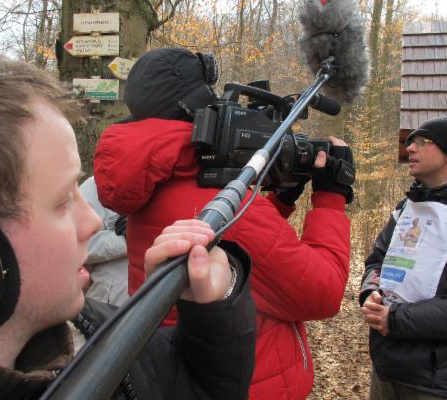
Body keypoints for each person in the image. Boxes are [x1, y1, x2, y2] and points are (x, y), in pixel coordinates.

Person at [0, 42, 256, 399]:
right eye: (64, 199)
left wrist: (211, 313)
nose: (93, 222)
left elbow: (191, 388)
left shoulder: (88, 326)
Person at [93, 47, 353, 400]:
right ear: (199, 107)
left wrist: (280, 201)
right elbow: (323, 293)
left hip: (183, 377)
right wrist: (332, 197)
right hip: (253, 385)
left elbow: (248, 264)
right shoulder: (212, 200)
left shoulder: (155, 183)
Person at [359, 113, 447, 399]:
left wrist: (396, 319)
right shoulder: (406, 207)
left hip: (439, 382)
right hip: (386, 367)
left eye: (422, 141)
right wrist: (370, 291)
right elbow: (377, 261)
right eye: (410, 142)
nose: (410, 148)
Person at [79, 175, 129, 305]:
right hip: (108, 304)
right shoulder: (94, 186)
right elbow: (78, 245)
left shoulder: (168, 185)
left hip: (158, 299)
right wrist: (127, 239)